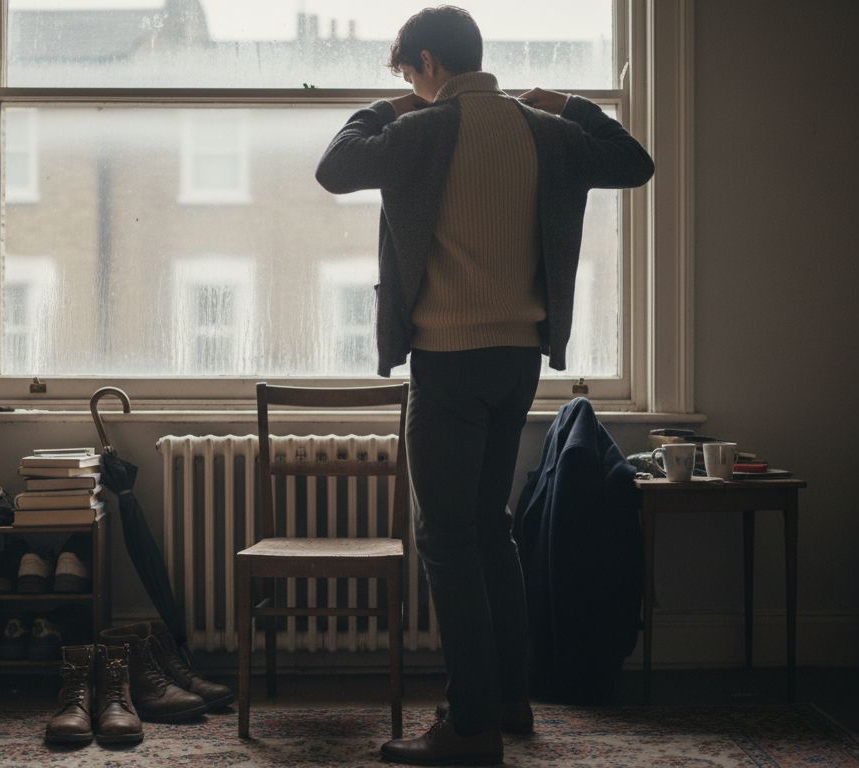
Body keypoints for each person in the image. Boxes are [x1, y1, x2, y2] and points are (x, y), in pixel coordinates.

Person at [315, 5, 653, 765]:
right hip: (519, 358)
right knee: (489, 529)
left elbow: (336, 166)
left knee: (446, 538)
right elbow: (634, 162)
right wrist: (570, 103)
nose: (407, 86)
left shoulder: (420, 130)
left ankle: (470, 729)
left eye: (407, 72)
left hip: (448, 356)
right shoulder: (548, 132)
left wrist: (391, 106)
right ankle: (508, 699)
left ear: (430, 63)